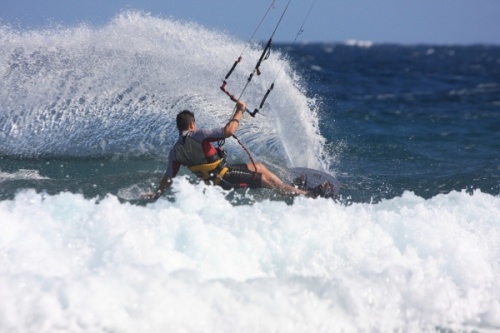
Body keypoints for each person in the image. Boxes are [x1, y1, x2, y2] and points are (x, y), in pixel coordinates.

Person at [142, 100, 324, 200]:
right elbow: (229, 131)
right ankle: (310, 195)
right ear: (192, 124)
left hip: (218, 179)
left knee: (259, 167)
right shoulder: (200, 135)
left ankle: (293, 188)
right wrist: (239, 110)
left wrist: (157, 193)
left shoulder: (175, 152)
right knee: (269, 183)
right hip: (226, 177)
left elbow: (168, 178)